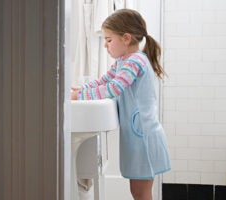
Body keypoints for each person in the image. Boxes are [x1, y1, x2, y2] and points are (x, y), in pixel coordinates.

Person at [71, 9, 171, 200]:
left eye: (109, 40)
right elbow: (103, 81)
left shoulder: (135, 61)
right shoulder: (122, 62)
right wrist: (78, 90)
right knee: (137, 191)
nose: (105, 46)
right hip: (138, 135)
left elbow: (114, 88)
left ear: (126, 38)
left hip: (144, 137)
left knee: (141, 193)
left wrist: (79, 96)